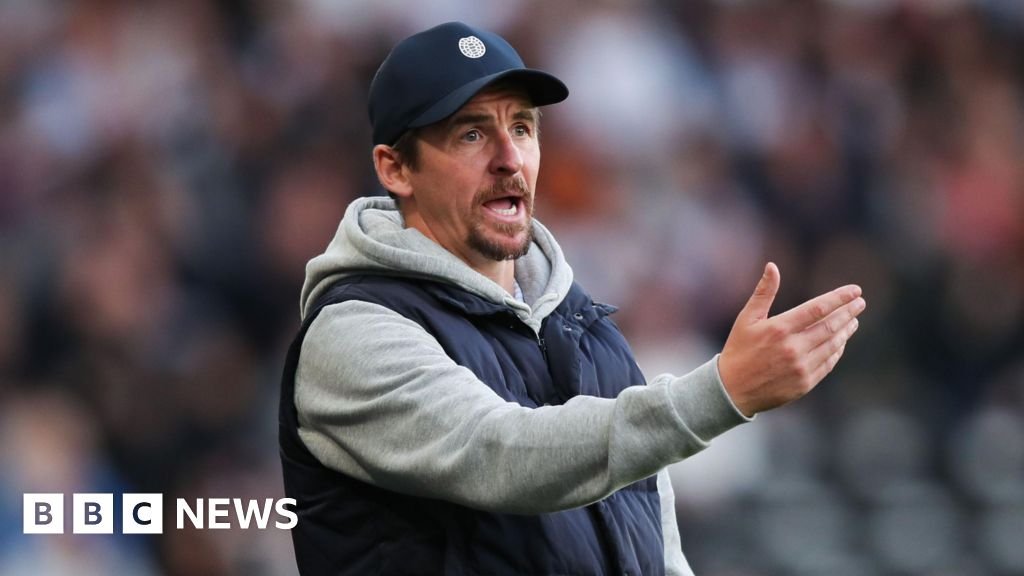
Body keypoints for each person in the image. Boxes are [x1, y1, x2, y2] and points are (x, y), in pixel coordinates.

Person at [279, 21, 866, 576]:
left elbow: (660, 553)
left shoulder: (587, 329)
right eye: (472, 134)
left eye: (522, 128)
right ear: (396, 169)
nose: (509, 157)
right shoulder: (352, 332)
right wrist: (721, 392)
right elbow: (503, 455)